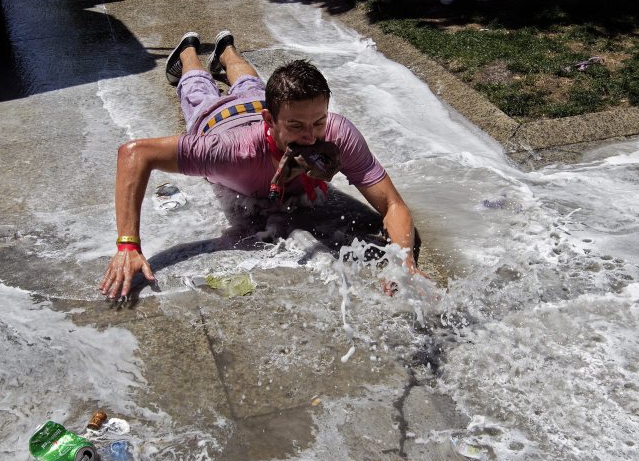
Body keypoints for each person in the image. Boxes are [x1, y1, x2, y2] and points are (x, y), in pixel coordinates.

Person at [98, 30, 424, 300]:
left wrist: (403, 263)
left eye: (318, 122)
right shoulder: (229, 153)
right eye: (297, 126)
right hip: (217, 120)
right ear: (271, 121)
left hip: (257, 105)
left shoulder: (338, 133)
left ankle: (227, 50)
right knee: (199, 89)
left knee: (251, 85)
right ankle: (187, 51)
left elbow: (393, 205)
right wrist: (128, 244)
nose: (311, 138)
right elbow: (134, 154)